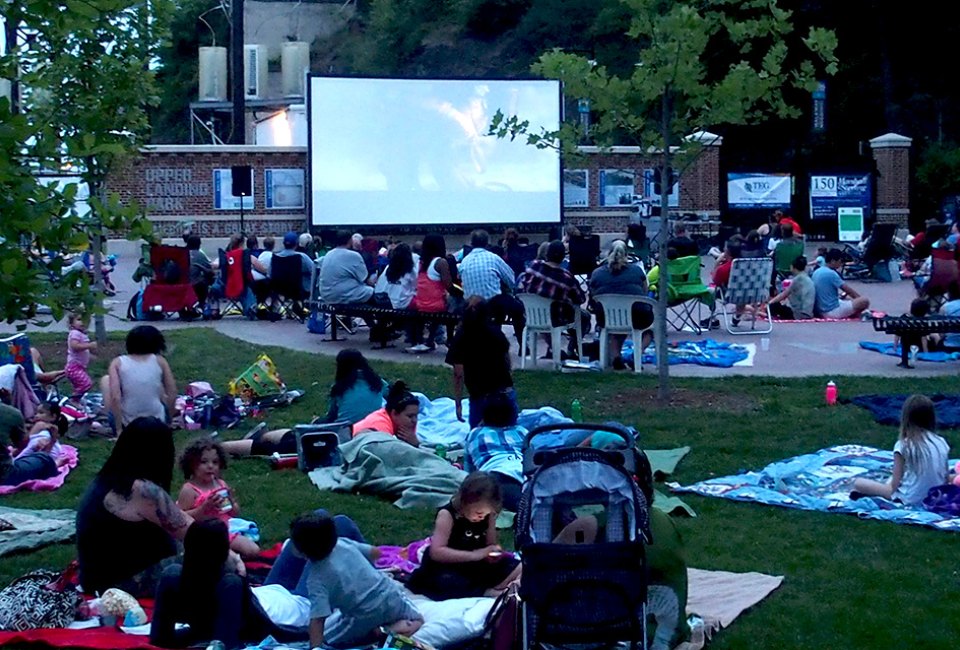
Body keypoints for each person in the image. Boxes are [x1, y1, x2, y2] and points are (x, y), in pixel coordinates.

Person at [76, 417, 193, 596]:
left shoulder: (106, 480)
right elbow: (196, 535)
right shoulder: (144, 490)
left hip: (94, 578)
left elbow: (181, 520)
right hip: (120, 583)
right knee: (209, 559)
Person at [291, 512, 423, 649]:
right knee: (417, 617)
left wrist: (315, 647)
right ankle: (409, 625)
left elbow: (318, 619)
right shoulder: (343, 543)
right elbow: (375, 553)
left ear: (302, 551)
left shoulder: (316, 578)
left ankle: (380, 634)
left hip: (363, 614)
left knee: (329, 638)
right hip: (390, 594)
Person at [151, 520, 269, 650]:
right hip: (260, 604)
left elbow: (227, 642)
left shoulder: (230, 583)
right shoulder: (174, 576)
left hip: (267, 609)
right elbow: (159, 638)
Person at [408, 471, 522, 600]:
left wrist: (493, 552)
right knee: (447, 582)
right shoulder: (448, 515)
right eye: (479, 513)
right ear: (465, 502)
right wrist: (475, 555)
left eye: (485, 514)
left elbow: (490, 544)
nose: (481, 517)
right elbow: (437, 552)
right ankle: (486, 592)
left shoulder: (487, 516)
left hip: (476, 565)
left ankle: (502, 587)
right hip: (448, 565)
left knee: (521, 566)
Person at [851, 395, 949, 505]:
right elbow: (945, 478)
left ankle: (861, 492)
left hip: (909, 498)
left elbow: (894, 486)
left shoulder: (904, 445)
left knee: (858, 483)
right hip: (936, 495)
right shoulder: (941, 442)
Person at [176, 437, 260, 558]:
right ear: (191, 465)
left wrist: (231, 501)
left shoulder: (220, 485)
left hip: (224, 532)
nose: (210, 466)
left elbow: (233, 513)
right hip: (202, 535)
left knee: (253, 550)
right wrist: (204, 507)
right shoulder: (190, 490)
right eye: (203, 462)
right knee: (221, 557)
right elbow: (182, 519)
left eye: (215, 462)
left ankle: (230, 554)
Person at [446, 299, 517, 428]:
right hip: (505, 392)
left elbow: (458, 374)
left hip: (481, 397)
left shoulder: (461, 338)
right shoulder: (496, 332)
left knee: (478, 436)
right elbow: (507, 360)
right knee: (510, 434)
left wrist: (458, 403)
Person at [518, 239, 586, 359]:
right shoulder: (566, 277)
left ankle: (553, 349)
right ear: (563, 257)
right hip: (556, 318)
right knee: (584, 317)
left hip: (531, 315)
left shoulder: (533, 267)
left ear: (546, 254)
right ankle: (571, 350)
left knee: (545, 311)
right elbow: (580, 299)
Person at [102, 325, 178, 434]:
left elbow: (115, 397)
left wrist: (119, 430)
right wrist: (168, 421)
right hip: (157, 422)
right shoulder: (160, 361)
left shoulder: (117, 363)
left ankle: (112, 421)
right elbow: (172, 392)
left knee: (106, 380)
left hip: (128, 424)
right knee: (156, 386)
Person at [589, 240, 655, 364]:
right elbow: (645, 292)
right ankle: (637, 354)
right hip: (637, 317)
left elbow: (593, 296)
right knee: (649, 330)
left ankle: (616, 356)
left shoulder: (597, 273)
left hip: (606, 318)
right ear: (627, 254)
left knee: (617, 322)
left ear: (608, 254)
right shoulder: (637, 271)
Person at [462, 390, 526, 512]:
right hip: (526, 473)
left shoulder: (475, 434)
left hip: (496, 476)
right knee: (540, 504)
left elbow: (469, 472)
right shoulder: (522, 432)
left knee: (523, 506)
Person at [458, 229, 525, 345]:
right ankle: (522, 345)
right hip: (493, 304)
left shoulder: (464, 261)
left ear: (471, 243)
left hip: (470, 304)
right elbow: (511, 280)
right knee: (518, 309)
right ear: (487, 243)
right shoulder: (493, 258)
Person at [408, 234, 453, 352]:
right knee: (452, 304)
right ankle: (448, 339)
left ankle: (422, 340)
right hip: (436, 305)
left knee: (431, 309)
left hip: (420, 303)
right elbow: (449, 286)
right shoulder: (441, 262)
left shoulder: (420, 262)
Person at [0, 401, 58, 485]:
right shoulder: (10, 412)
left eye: (41, 413)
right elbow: (22, 445)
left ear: (53, 417)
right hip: (4, 474)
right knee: (45, 458)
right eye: (37, 413)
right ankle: (55, 464)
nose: (37, 415)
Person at [352, 380, 420, 447]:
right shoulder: (380, 427)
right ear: (394, 413)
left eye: (416, 416)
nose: (414, 420)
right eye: (410, 416)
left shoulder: (403, 425)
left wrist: (415, 443)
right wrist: (417, 445)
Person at [319, 230, 375, 306]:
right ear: (350, 240)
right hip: (343, 294)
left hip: (326, 295)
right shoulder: (353, 255)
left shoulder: (329, 254)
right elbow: (364, 278)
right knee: (373, 293)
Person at [812, 248, 870, 318]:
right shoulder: (832, 273)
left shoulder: (816, 271)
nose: (841, 264)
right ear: (833, 261)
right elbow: (849, 290)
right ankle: (863, 312)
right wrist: (859, 300)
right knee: (864, 301)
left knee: (847, 300)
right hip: (832, 311)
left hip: (820, 309)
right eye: (840, 261)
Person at [766, 256, 815, 320]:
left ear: (792, 267)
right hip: (807, 311)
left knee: (774, 306)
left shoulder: (798, 279)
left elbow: (783, 295)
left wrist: (769, 303)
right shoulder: (806, 277)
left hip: (799, 314)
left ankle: (766, 314)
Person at [374, 243, 418, 309]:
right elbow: (416, 286)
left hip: (386, 301)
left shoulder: (388, 267)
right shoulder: (410, 270)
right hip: (402, 304)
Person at [65, 312, 96, 401]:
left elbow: (82, 351)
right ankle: (74, 400)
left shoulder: (80, 334)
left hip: (78, 367)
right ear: (71, 323)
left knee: (81, 385)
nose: (82, 322)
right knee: (86, 384)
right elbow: (75, 346)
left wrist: (89, 356)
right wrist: (89, 345)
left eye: (85, 320)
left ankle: (76, 400)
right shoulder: (75, 333)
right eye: (79, 320)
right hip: (74, 367)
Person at [275, 231, 316, 298]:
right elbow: (315, 271)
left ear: (283, 243)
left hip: (282, 292)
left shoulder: (276, 257)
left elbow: (270, 274)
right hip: (300, 292)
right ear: (296, 244)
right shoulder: (302, 257)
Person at [187, 235, 214, 309]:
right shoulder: (199, 255)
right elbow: (209, 269)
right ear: (199, 245)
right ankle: (202, 303)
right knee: (206, 279)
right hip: (195, 285)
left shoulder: (182, 254)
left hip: (181, 283)